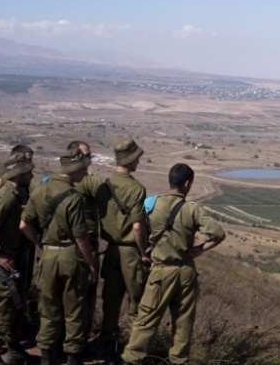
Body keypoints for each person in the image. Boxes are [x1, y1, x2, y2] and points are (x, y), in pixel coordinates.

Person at [121, 163, 226, 365]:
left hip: (160, 271)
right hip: (185, 271)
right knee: (183, 323)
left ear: (171, 181)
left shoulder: (152, 204)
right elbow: (219, 234)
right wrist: (200, 249)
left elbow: (138, 228)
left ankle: (133, 359)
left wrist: (144, 253)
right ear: (187, 183)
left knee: (146, 320)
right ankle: (178, 360)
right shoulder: (192, 209)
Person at [19, 147, 98, 365]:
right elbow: (81, 237)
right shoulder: (74, 197)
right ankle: (72, 356)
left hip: (48, 255)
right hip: (70, 256)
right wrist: (91, 264)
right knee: (74, 308)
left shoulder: (40, 190)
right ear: (74, 170)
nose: (85, 173)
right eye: (83, 168)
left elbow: (24, 224)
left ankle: (46, 354)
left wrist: (39, 242)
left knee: (48, 307)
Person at [96, 137, 149, 365]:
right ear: (130, 160)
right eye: (137, 158)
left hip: (110, 252)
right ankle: (133, 353)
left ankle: (107, 348)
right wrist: (145, 252)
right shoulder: (136, 188)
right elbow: (138, 226)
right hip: (130, 252)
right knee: (137, 303)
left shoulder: (103, 186)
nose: (139, 161)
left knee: (111, 301)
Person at [0, 154, 35, 365]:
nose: (32, 175)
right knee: (1, 306)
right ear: (20, 173)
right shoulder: (6, 196)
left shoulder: (17, 193)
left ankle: (13, 346)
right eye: (29, 171)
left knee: (16, 305)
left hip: (17, 258)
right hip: (7, 260)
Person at [67, 140, 102, 338]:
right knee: (85, 297)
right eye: (86, 155)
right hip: (85, 245)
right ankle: (78, 344)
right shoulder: (89, 182)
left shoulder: (56, 182)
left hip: (62, 247)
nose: (90, 159)